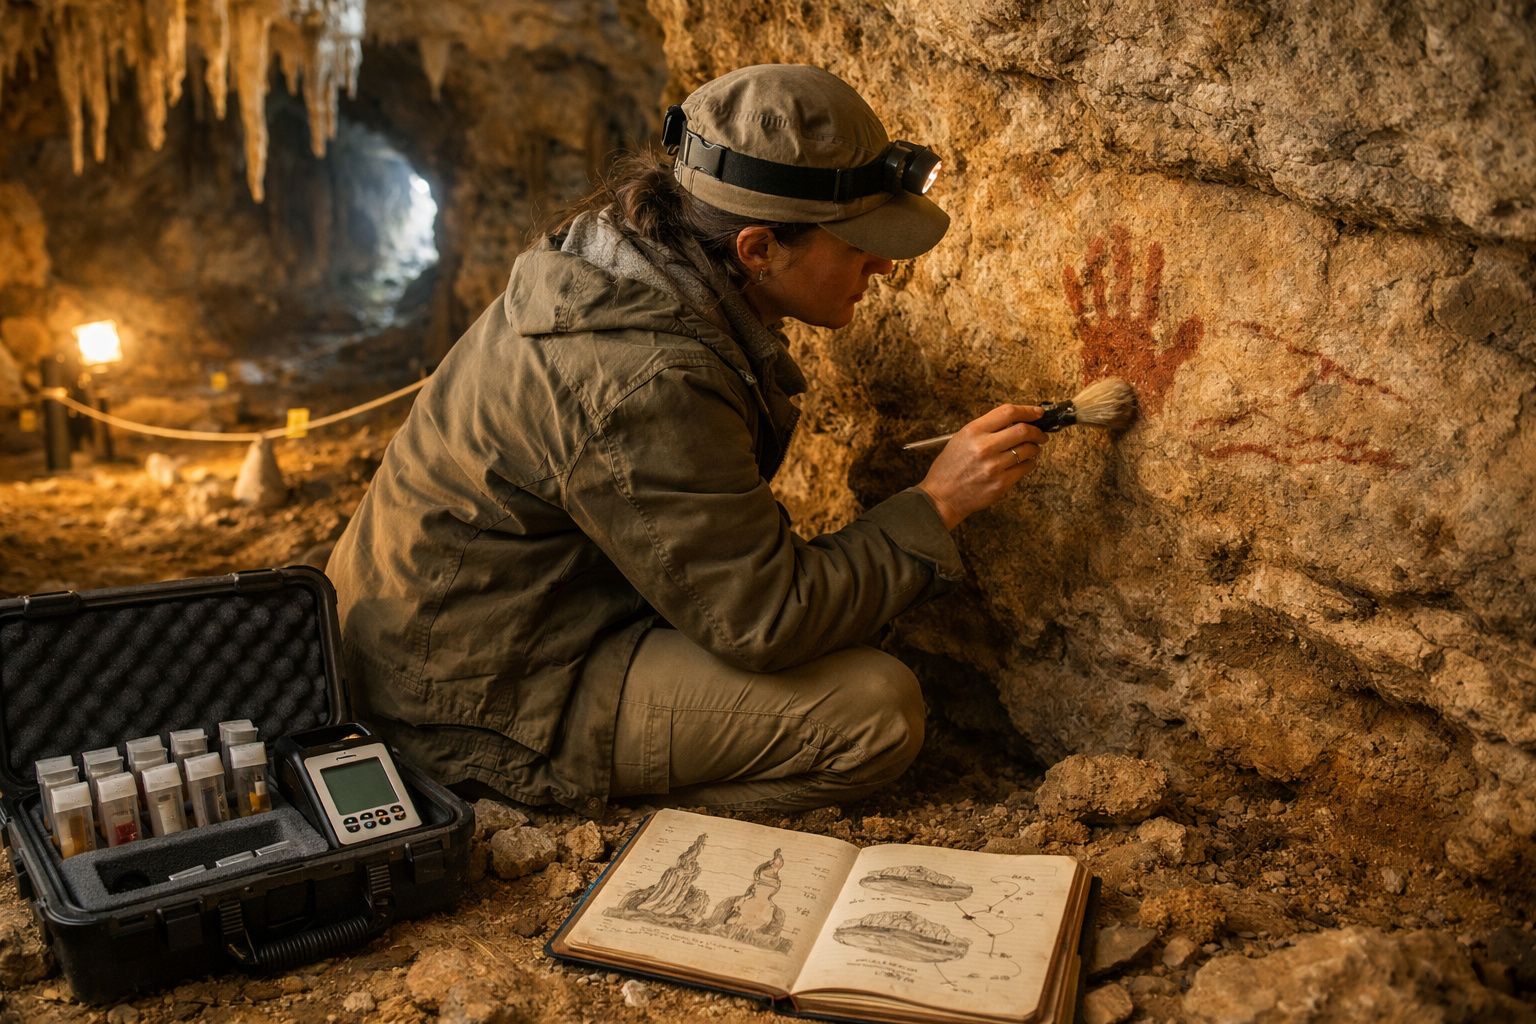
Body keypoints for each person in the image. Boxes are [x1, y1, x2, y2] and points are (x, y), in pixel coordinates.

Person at [326, 64, 1049, 819]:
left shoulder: (626, 254)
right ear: (758, 248)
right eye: (858, 242)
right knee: (871, 711)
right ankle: (587, 811)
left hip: (480, 636)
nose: (884, 264)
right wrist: (936, 504)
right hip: (467, 699)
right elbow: (767, 620)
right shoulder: (643, 375)